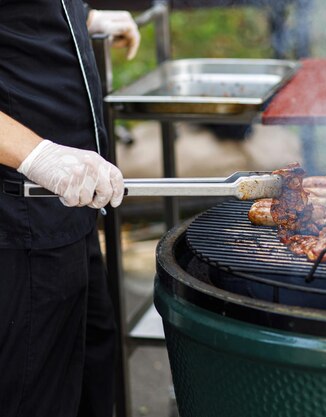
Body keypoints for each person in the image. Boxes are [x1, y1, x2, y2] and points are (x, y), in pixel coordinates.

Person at [0, 2, 140, 416]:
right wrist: (38, 155)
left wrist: (80, 17)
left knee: (92, 374)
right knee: (35, 395)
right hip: (19, 217)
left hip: (70, 211)